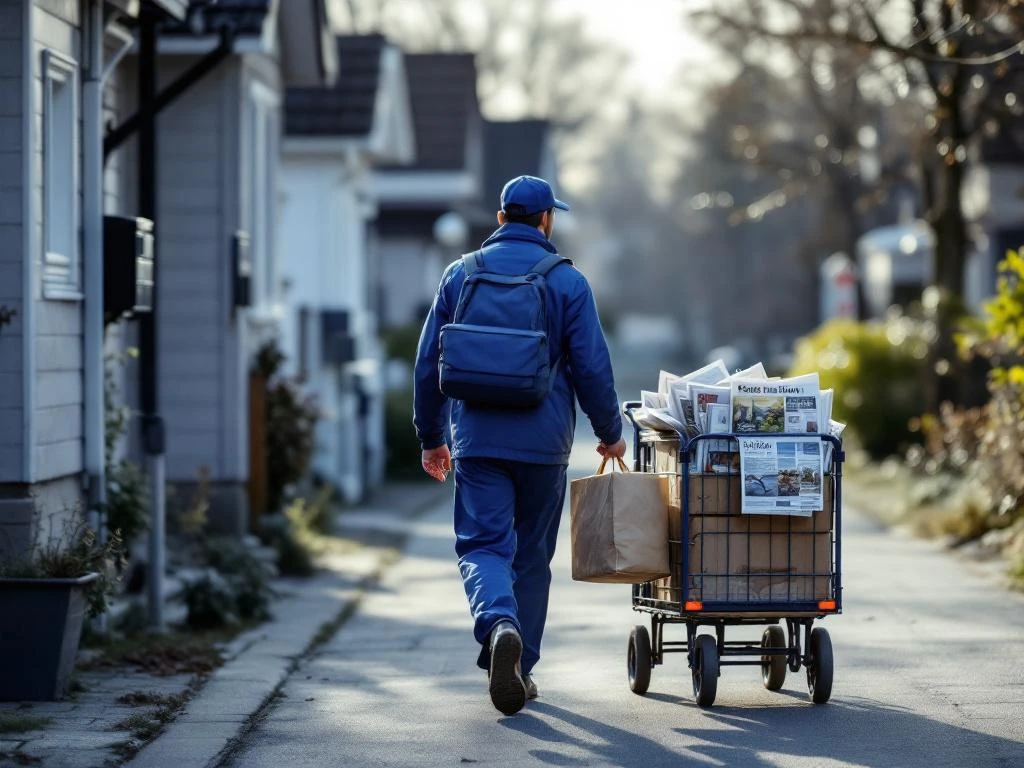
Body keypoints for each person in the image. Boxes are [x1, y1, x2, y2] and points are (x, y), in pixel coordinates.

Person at [413, 175, 626, 716]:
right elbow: (592, 367)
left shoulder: (460, 274)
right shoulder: (567, 282)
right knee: (531, 557)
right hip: (544, 444)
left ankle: (497, 623)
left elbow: (427, 364)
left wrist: (431, 437)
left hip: (478, 441)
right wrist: (609, 433)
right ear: (546, 221)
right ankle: (522, 667)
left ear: (502, 218)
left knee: (483, 547)